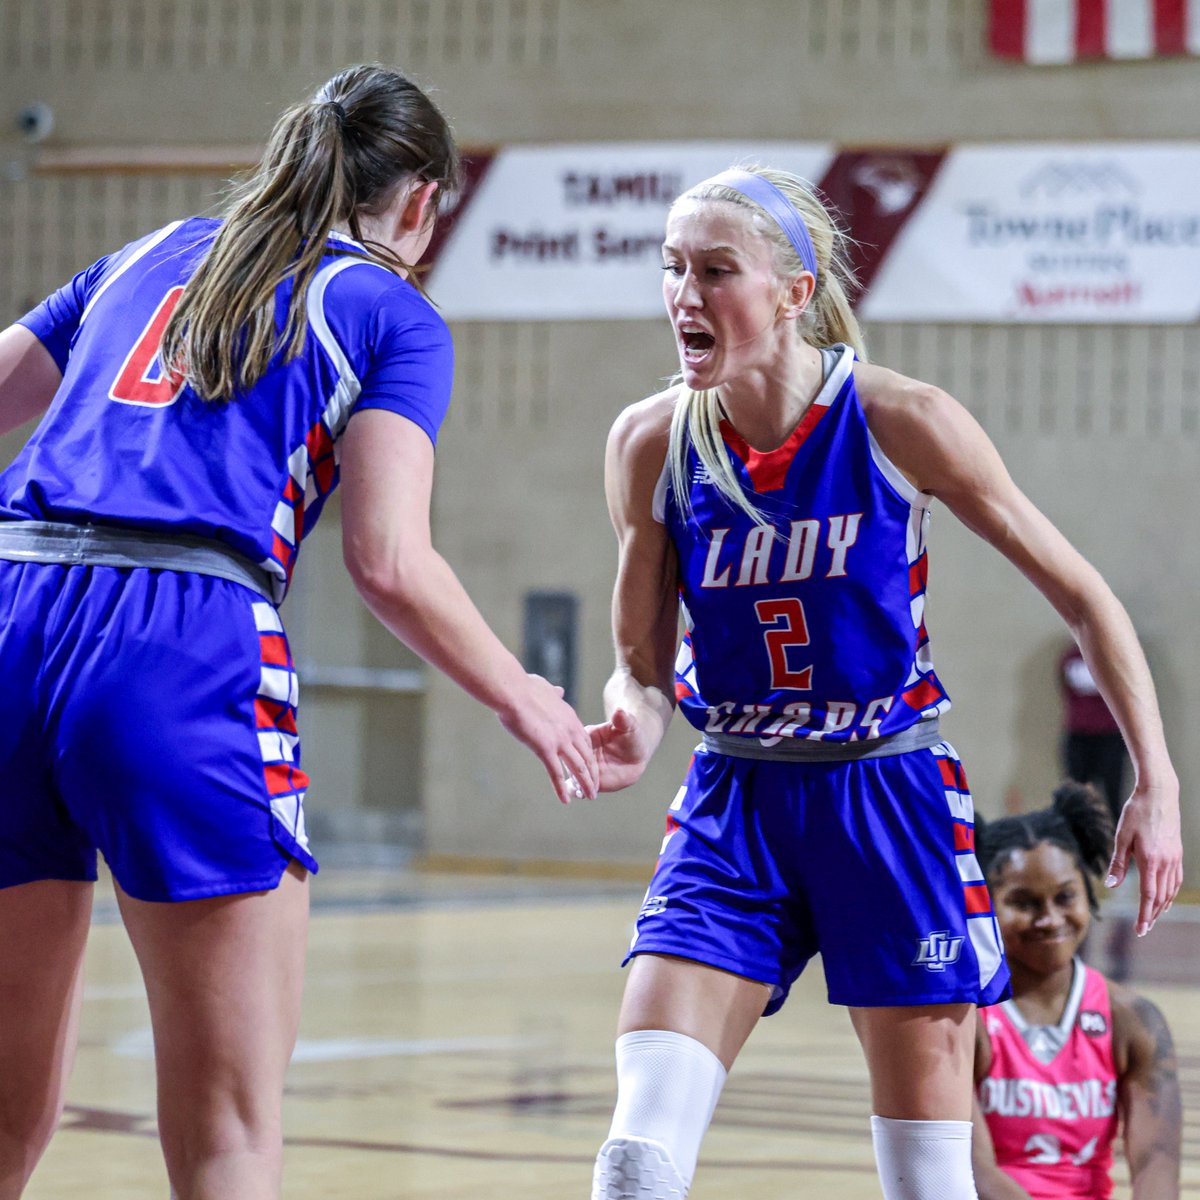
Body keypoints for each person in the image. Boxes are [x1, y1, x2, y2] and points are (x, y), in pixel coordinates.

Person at [0, 64, 596, 1200]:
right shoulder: (388, 309)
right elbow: (388, 561)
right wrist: (525, 695)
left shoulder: (143, 254)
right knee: (229, 1127)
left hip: (10, 610)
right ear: (421, 203)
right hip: (177, 639)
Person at [584, 165, 1181, 1200]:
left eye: (715, 270)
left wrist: (1159, 782)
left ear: (793, 290)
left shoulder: (900, 419)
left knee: (926, 1180)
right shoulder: (650, 442)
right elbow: (640, 666)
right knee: (637, 1158)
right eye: (671, 268)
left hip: (888, 793)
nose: (684, 293)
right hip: (736, 797)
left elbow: (1088, 598)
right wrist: (632, 720)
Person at [972, 782, 1181, 1199]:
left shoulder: (1133, 1020)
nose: (1049, 919)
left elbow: (1156, 1163)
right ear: (985, 904)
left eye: (1065, 896)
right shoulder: (964, 1018)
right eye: (1024, 902)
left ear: (1088, 894)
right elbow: (972, 1173)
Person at [1060, 641, 1129, 825]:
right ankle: (1079, 850)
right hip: (1079, 736)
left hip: (1110, 736)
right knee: (1076, 799)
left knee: (1113, 798)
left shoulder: (1116, 657)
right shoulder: (1070, 658)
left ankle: (1117, 849)